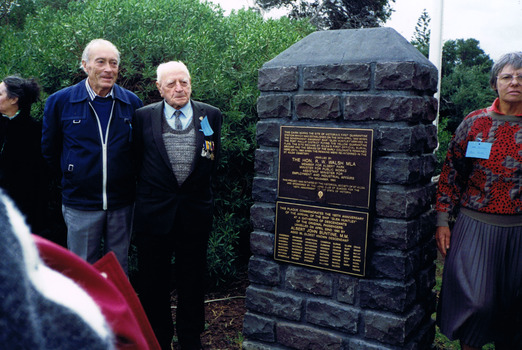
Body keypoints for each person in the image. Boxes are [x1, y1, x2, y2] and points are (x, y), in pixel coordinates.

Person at [132, 61, 222, 349]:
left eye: (183, 82)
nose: (178, 88)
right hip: (154, 215)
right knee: (152, 283)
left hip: (194, 214)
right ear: (159, 88)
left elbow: (212, 159)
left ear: (191, 83)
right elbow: (135, 162)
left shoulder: (211, 115)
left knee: (193, 281)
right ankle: (158, 338)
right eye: (171, 83)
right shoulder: (142, 117)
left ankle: (190, 338)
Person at [435, 51, 522, 350]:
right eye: (507, 76)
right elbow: (451, 173)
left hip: (519, 230)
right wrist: (442, 220)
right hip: (475, 227)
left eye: (521, 77)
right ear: (494, 83)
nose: (515, 82)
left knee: (514, 312)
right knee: (476, 303)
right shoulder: (475, 124)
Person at [42, 39, 143, 274]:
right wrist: (74, 175)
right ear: (85, 65)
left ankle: (115, 312)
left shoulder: (132, 103)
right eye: (101, 62)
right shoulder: (60, 102)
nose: (108, 69)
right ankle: (84, 313)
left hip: (121, 203)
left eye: (114, 63)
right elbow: (50, 150)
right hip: (80, 204)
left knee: (118, 270)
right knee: (82, 270)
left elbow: (138, 151)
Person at [0, 75, 48, 234]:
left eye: (0, 94)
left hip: (21, 212)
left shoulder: (34, 132)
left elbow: (35, 180)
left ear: (13, 99)